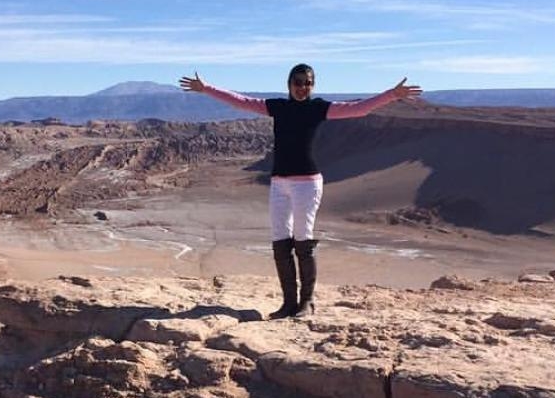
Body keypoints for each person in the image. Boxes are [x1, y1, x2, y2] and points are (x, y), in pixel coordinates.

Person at [179, 64, 422, 318]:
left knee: (303, 240)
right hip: (279, 182)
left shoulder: (318, 109)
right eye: (298, 82)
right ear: (289, 83)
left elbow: (357, 108)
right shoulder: (278, 107)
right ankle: (288, 304)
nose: (302, 87)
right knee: (280, 240)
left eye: (307, 83)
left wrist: (391, 95)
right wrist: (207, 89)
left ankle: (307, 303)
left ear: (313, 85)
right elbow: (242, 102)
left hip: (307, 183)